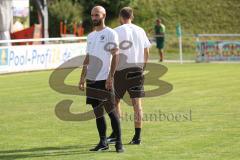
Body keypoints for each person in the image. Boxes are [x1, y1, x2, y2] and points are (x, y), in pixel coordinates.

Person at [79, 6, 124, 152]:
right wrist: (82, 77)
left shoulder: (110, 33)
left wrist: (110, 77)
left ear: (103, 15)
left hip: (104, 79)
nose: (94, 18)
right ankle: (103, 142)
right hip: (91, 80)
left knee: (111, 112)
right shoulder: (90, 36)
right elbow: (88, 57)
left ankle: (119, 144)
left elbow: (116, 55)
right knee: (98, 113)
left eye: (96, 15)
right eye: (92, 15)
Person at [107, 7, 151, 145]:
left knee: (115, 102)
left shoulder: (116, 31)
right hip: (137, 69)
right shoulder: (140, 30)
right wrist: (142, 68)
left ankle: (116, 133)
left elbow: (113, 53)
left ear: (121, 17)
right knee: (137, 105)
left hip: (121, 70)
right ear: (132, 17)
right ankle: (137, 137)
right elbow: (147, 51)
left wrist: (110, 73)